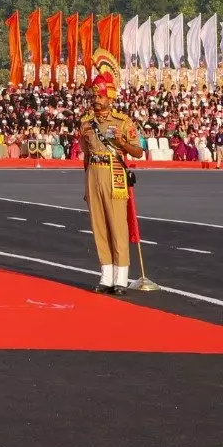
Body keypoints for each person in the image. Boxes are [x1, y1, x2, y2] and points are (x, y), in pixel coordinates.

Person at [78, 52, 144, 294]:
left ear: (110, 97)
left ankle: (121, 277)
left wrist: (122, 143)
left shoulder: (123, 122)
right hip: (94, 173)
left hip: (114, 171)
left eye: (100, 95)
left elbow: (137, 152)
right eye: (94, 95)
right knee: (99, 226)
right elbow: (85, 155)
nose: (96, 99)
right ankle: (105, 274)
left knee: (118, 225)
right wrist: (85, 184)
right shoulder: (85, 123)